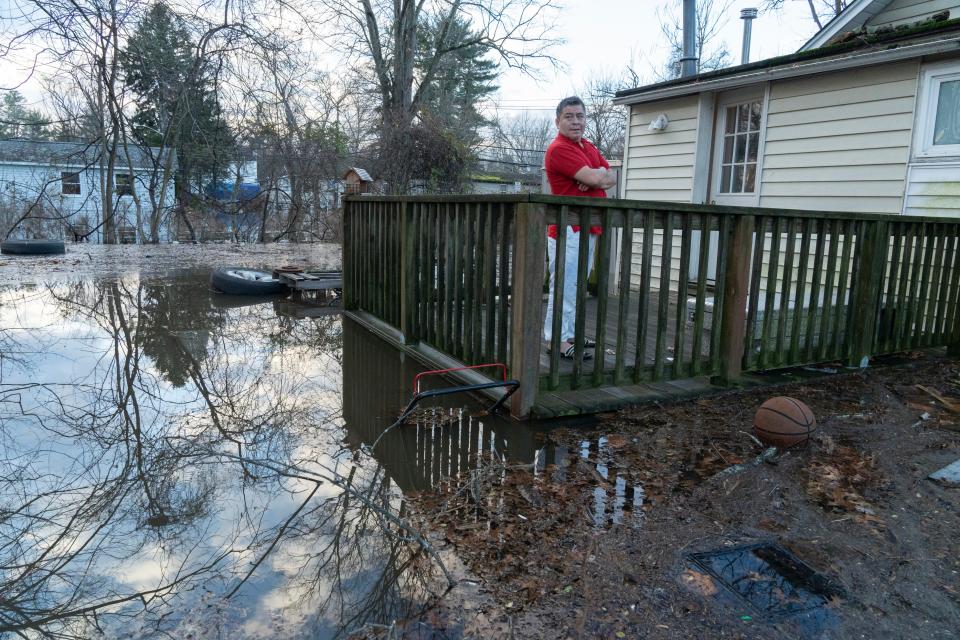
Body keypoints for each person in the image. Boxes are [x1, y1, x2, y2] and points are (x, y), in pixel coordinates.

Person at [543, 96, 617, 359]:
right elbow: (600, 176)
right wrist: (596, 176)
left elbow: (611, 176)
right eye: (569, 116)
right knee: (564, 285)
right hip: (568, 230)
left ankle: (569, 334)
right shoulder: (559, 148)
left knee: (577, 285)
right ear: (558, 121)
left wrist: (596, 176)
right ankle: (556, 340)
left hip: (587, 228)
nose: (576, 121)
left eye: (580, 116)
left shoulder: (587, 145)